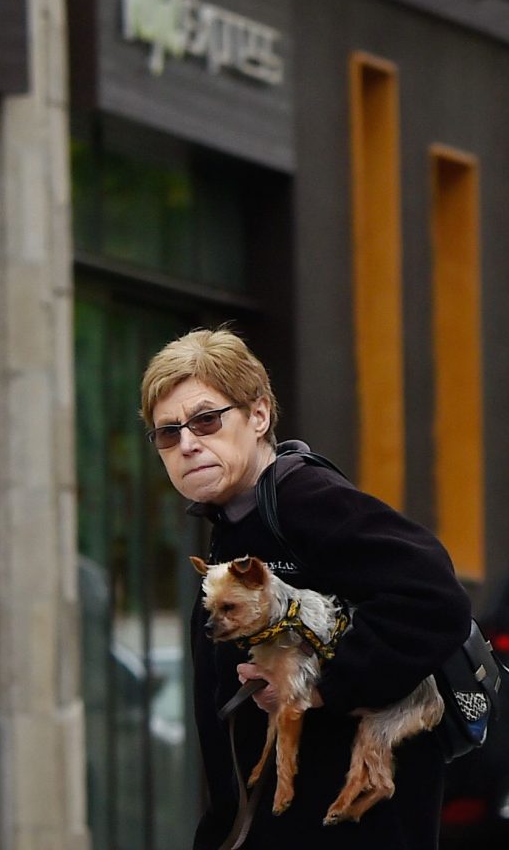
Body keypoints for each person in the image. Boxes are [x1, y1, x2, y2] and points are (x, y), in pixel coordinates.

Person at [147, 329, 473, 849]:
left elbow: (434, 599)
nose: (188, 443)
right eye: (168, 433)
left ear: (258, 416)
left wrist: (320, 684)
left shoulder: (306, 501)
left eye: (206, 420)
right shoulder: (234, 525)